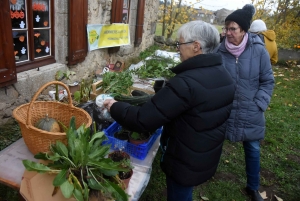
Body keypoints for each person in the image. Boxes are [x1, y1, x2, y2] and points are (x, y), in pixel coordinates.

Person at [104, 20, 235, 201]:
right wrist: (165, 92)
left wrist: (114, 106)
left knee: (179, 195)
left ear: (196, 46)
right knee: (184, 191)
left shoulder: (186, 82)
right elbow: (198, 107)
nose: (177, 49)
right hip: (204, 152)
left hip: (183, 157)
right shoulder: (225, 75)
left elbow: (142, 119)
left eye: (180, 44)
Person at [217, 4, 275, 201]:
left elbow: (268, 80)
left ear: (244, 30)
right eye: (226, 28)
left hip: (251, 110)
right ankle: (206, 173)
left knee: (253, 149)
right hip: (224, 110)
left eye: (233, 29)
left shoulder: (259, 51)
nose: (228, 33)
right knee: (213, 143)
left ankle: (253, 187)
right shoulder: (219, 52)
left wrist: (259, 104)